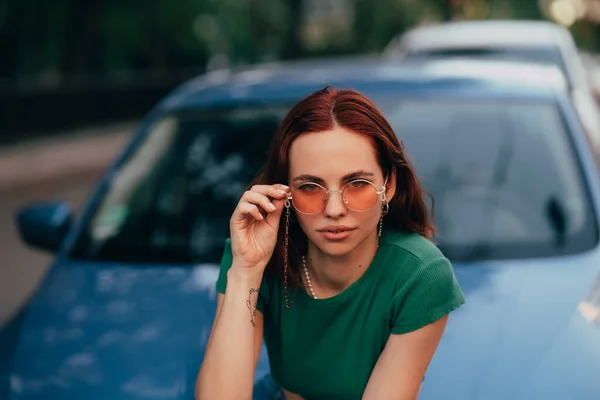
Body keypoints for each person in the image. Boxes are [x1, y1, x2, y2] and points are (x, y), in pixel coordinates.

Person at [196, 86, 466, 400]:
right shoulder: (255, 253)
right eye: (310, 186)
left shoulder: (420, 274)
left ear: (388, 186)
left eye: (357, 183)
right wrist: (246, 271)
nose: (334, 210)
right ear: (285, 192)